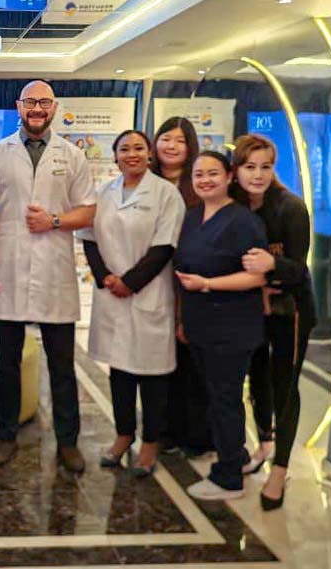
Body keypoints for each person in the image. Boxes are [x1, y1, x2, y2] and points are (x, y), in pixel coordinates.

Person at [0, 80, 96, 473]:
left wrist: (54, 221)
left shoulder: (72, 156)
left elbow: (89, 211)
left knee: (62, 366)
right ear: (19, 106)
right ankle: (6, 435)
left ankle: (68, 443)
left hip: (54, 272)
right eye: (31, 102)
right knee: (7, 364)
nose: (37, 108)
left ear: (55, 107)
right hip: (7, 271)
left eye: (44, 102)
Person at [80, 130, 185, 475]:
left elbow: (164, 246)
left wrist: (130, 282)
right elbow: (89, 238)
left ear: (150, 154)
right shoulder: (103, 192)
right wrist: (105, 277)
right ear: (115, 156)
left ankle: (151, 442)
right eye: (124, 149)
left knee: (153, 375)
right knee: (120, 371)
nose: (132, 154)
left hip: (149, 294)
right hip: (112, 295)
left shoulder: (166, 194)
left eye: (139, 148)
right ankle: (124, 435)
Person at [174, 151, 267, 500]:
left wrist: (208, 284)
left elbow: (256, 277)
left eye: (213, 173)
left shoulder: (242, 222)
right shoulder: (193, 216)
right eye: (199, 174)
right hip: (201, 324)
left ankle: (229, 479)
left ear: (229, 176)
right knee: (216, 398)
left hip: (231, 327)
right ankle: (236, 457)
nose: (205, 180)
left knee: (225, 400)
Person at [231, 134, 316, 510]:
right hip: (252, 308)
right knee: (257, 378)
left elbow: (298, 269)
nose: (258, 174)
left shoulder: (291, 208)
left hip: (290, 311)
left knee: (285, 386)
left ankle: (281, 469)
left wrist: (272, 264)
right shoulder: (234, 206)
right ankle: (264, 442)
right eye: (250, 166)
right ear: (236, 170)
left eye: (265, 166)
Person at [151, 117, 211, 458]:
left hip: (190, 283)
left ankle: (196, 434)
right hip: (151, 281)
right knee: (158, 363)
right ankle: (163, 431)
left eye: (180, 141)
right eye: (166, 138)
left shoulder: (198, 187)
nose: (172, 146)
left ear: (191, 148)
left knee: (191, 362)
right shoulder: (144, 183)